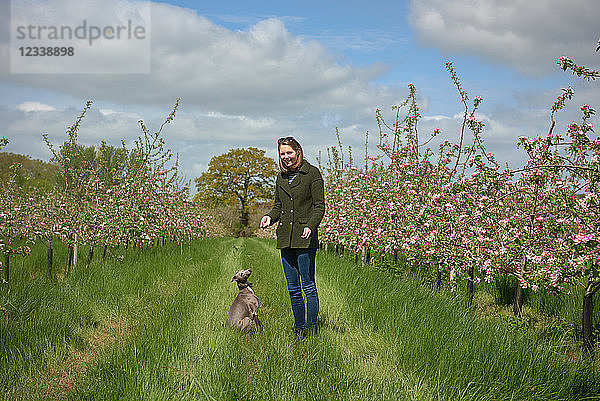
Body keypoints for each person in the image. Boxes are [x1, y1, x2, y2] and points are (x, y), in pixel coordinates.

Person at [260, 136, 325, 337]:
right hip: (286, 238)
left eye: (289, 152)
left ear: (298, 151)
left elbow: (319, 206)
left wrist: (311, 226)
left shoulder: (312, 174)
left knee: (308, 286)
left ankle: (311, 329)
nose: (286, 157)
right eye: (282, 153)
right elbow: (278, 207)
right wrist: (269, 217)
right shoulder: (281, 177)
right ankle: (299, 330)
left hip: (305, 238)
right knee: (293, 289)